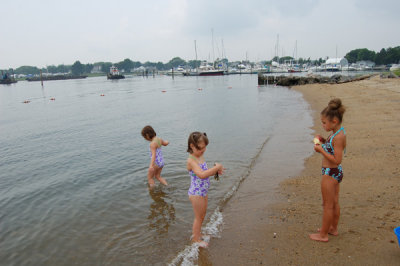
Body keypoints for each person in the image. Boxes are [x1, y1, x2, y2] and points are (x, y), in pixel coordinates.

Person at [310, 98, 347, 242]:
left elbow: (337, 159)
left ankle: (323, 235)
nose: (323, 124)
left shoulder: (338, 137)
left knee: (327, 205)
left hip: (330, 173)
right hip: (335, 172)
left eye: (324, 122)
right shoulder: (338, 133)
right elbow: (333, 148)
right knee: (334, 202)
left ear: (334, 122)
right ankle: (332, 228)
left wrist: (320, 150)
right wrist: (324, 142)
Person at [187, 132, 224, 248]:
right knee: (198, 217)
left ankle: (199, 233)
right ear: (192, 146)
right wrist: (216, 167)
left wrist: (215, 171)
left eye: (205, 148)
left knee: (202, 215)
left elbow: (206, 171)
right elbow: (202, 175)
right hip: (196, 193)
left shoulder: (200, 156)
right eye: (201, 148)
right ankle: (196, 239)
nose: (203, 150)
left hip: (203, 191)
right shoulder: (191, 161)